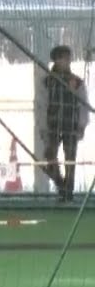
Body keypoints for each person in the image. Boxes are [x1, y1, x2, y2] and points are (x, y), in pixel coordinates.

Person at [41, 44, 88, 202]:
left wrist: (81, 124)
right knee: (49, 157)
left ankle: (68, 192)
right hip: (52, 125)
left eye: (68, 58)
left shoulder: (77, 82)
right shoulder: (47, 82)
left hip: (71, 125)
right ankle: (61, 185)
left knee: (70, 160)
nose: (67, 61)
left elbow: (83, 105)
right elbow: (42, 104)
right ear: (56, 60)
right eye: (63, 58)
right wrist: (42, 126)